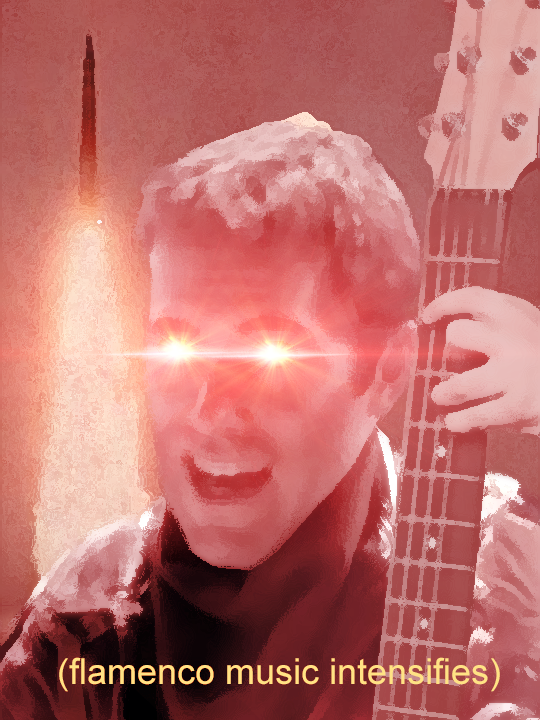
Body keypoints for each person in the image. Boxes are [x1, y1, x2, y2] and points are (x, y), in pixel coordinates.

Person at [1, 115, 539, 720]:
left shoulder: (509, 581)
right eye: (178, 347)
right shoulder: (82, 621)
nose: (211, 410)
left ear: (386, 373)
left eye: (271, 355)